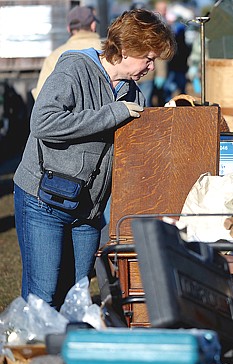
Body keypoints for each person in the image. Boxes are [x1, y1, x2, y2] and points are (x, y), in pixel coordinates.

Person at [13, 9, 176, 308]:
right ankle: (28, 352)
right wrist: (113, 113)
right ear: (126, 49)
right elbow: (43, 123)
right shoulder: (74, 69)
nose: (152, 67)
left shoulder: (133, 94)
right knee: (43, 295)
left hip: (88, 210)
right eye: (148, 58)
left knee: (76, 296)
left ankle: (62, 351)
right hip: (43, 200)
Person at [32, 5, 102, 100]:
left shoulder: (54, 56)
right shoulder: (107, 50)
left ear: (69, 28)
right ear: (93, 25)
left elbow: (41, 98)